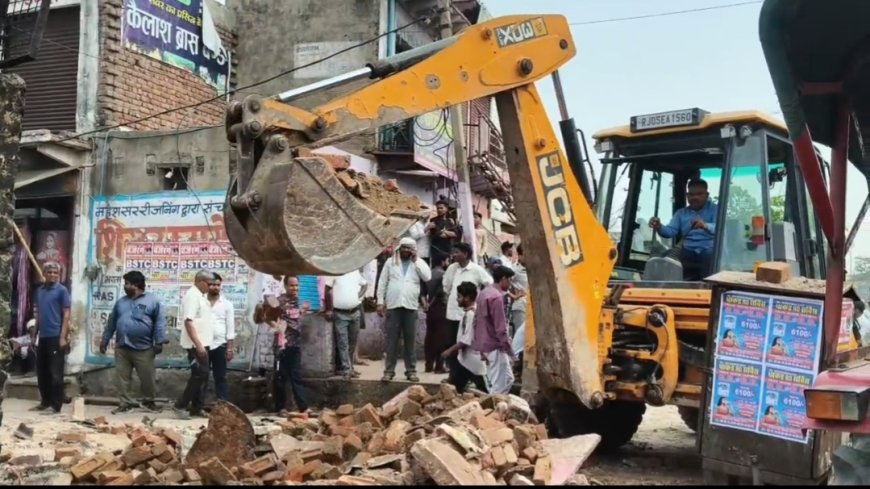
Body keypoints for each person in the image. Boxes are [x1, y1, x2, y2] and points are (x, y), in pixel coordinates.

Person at [99, 271, 167, 413]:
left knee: (147, 377)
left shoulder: (152, 301)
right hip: (122, 346)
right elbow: (111, 322)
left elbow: (159, 322)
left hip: (143, 347)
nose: (124, 286)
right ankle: (125, 403)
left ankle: (149, 402)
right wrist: (105, 340)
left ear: (136, 285)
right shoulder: (121, 302)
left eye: (127, 284)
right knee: (122, 377)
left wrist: (159, 341)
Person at [376, 237, 432, 382]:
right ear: (399, 248)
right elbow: (382, 282)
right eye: (404, 247)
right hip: (393, 305)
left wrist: (416, 260)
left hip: (410, 306)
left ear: (414, 250)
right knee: (392, 341)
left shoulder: (418, 263)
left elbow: (427, 277)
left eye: (409, 248)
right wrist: (380, 302)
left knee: (410, 341)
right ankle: (389, 371)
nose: (406, 250)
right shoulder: (390, 262)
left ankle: (411, 371)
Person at [649, 179, 718, 281]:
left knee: (711, 258)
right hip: (687, 250)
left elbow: (720, 228)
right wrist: (659, 226)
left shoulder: (716, 209)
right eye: (691, 194)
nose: (695, 197)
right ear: (687, 195)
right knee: (661, 261)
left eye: (699, 194)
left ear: (707, 195)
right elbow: (670, 231)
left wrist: (705, 226)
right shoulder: (681, 213)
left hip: (709, 249)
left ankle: (709, 286)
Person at [443, 243, 492, 373]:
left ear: (465, 254)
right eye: (453, 252)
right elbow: (446, 287)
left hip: (469, 314)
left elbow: (489, 284)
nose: (453, 255)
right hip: (453, 312)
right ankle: (453, 374)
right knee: (452, 342)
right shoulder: (452, 268)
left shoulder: (476, 269)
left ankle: (466, 373)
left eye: (456, 252)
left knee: (466, 344)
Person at [174, 270, 214, 419]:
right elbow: (188, 322)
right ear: (200, 281)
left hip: (204, 342)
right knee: (199, 375)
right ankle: (180, 406)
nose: (211, 287)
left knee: (203, 376)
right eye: (209, 284)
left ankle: (197, 408)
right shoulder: (192, 296)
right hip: (195, 345)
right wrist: (198, 344)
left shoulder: (201, 296)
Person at [31, 263, 71, 414]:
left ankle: (56, 406)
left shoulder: (62, 291)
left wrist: (63, 337)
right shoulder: (40, 291)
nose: (53, 275)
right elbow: (39, 315)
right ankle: (45, 402)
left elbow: (66, 315)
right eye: (50, 272)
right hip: (43, 337)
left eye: (56, 272)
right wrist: (35, 333)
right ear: (44, 273)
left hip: (56, 336)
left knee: (55, 373)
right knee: (42, 372)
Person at [269, 276, 311, 416]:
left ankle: (303, 407)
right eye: (292, 285)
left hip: (296, 344)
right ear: (286, 286)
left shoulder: (300, 302)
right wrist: (277, 327)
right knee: (281, 377)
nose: (295, 288)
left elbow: (299, 319)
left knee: (296, 376)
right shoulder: (278, 302)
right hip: (282, 346)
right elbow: (267, 317)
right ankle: (281, 408)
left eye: (297, 285)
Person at [472, 266, 516, 395]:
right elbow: (501, 329)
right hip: (495, 345)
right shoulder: (497, 298)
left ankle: (498, 403)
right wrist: (511, 352)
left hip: (486, 343)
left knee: (508, 379)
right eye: (510, 280)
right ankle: (492, 405)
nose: (510, 284)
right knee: (498, 386)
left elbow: (476, 321)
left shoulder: (484, 293)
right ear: (503, 279)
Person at [442, 282, 488, 393]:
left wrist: (449, 350)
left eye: (459, 297)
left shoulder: (471, 315)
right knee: (457, 387)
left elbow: (466, 340)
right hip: (466, 359)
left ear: (467, 298)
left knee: (482, 389)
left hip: (471, 359)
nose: (457, 299)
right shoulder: (470, 313)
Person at [324, 268, 368, 379]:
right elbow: (327, 289)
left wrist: (358, 297)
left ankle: (350, 367)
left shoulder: (354, 271)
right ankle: (346, 369)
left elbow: (365, 285)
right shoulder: (335, 271)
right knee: (343, 342)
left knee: (352, 342)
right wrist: (328, 309)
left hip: (355, 312)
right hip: (340, 313)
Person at [207, 273, 235, 403]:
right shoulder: (201, 301)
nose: (215, 287)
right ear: (207, 285)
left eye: (218, 285)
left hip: (220, 345)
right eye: (212, 284)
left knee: (220, 376)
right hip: (203, 344)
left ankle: (223, 404)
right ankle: (198, 405)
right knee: (201, 376)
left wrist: (230, 348)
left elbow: (230, 327)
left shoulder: (227, 304)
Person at [424, 256, 450, 374]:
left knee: (429, 336)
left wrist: (426, 304)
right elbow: (440, 293)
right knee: (440, 337)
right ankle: (439, 366)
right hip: (440, 308)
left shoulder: (428, 274)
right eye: (447, 260)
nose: (448, 263)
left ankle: (428, 364)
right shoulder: (443, 275)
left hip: (430, 309)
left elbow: (422, 292)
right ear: (442, 261)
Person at [426, 200, 462, 267]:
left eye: (441, 208)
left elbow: (455, 234)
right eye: (438, 208)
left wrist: (444, 231)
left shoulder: (450, 220)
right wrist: (448, 233)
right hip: (437, 250)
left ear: (446, 209)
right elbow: (440, 235)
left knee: (450, 268)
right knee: (437, 269)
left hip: (448, 250)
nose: (439, 210)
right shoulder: (433, 220)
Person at [509, 245, 528, 338]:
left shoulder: (534, 269)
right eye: (525, 254)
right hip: (520, 307)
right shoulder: (515, 270)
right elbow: (500, 285)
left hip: (531, 307)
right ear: (519, 256)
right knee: (521, 336)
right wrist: (514, 296)